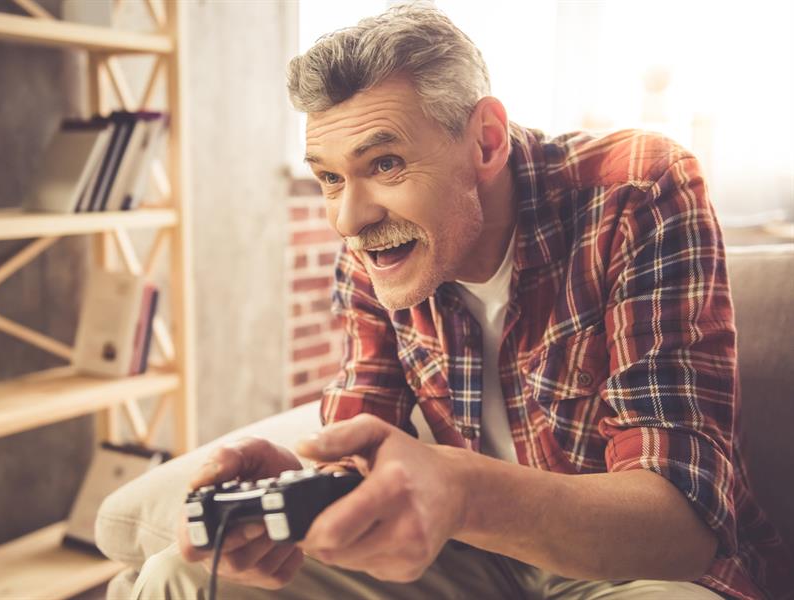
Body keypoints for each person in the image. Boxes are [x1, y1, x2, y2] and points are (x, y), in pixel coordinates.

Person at [133, 3, 793, 599]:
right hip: (473, 557)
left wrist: (461, 493)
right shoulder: (377, 246)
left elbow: (681, 529)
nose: (348, 217)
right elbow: (362, 443)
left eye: (385, 164)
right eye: (330, 177)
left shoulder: (637, 189)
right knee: (180, 574)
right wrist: (301, 490)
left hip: (636, 569)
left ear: (485, 141)